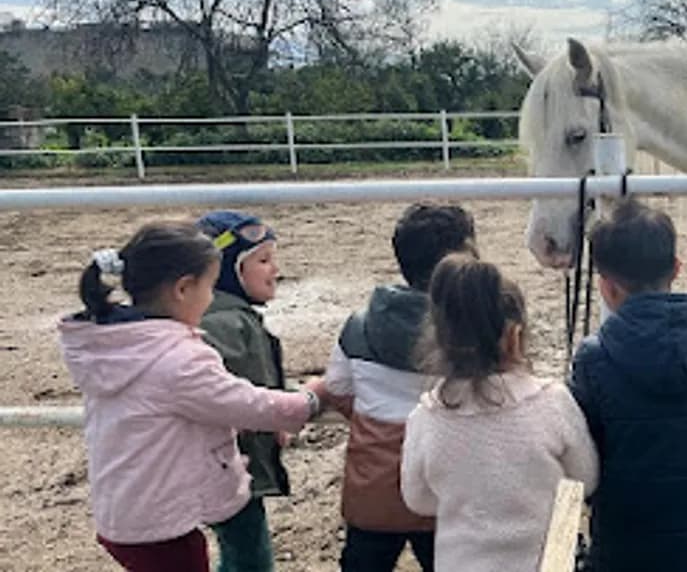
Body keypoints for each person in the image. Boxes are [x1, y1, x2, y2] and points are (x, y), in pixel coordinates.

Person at [58, 221, 324, 572]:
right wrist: (311, 399)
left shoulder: (112, 345)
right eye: (209, 287)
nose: (212, 298)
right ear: (183, 289)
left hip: (123, 509)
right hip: (161, 527)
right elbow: (247, 404)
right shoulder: (179, 360)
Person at [568, 197, 687, 572]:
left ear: (606, 288)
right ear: (677, 269)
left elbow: (585, 457)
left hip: (626, 548)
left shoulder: (594, 359)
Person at [401, 255, 599, 572]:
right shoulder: (552, 402)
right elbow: (585, 480)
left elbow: (417, 499)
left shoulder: (425, 418)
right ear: (514, 337)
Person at [322, 203, 478, 571]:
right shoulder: (471, 330)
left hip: (375, 484)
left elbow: (338, 387)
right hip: (446, 482)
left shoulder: (360, 326)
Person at [194, 210, 295, 572]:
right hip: (231, 464)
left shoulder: (229, 316)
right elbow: (231, 395)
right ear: (227, 271)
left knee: (241, 549)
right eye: (263, 261)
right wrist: (278, 415)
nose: (275, 270)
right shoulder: (225, 324)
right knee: (249, 555)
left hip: (230, 460)